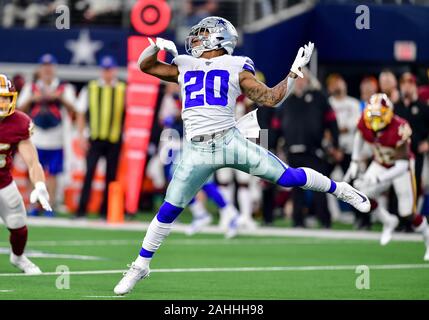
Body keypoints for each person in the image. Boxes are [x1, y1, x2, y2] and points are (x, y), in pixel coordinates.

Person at [114, 16, 370, 295]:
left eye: (203, 35)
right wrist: (155, 47)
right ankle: (141, 265)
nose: (196, 40)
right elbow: (146, 66)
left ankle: (340, 189)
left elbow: (271, 98)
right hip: (197, 149)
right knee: (168, 210)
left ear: (218, 39)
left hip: (229, 140)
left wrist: (294, 72)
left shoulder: (237, 65)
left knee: (286, 177)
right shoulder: (184, 64)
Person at [344, 93, 429, 260]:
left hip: (402, 168)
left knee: (407, 214)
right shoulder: (365, 120)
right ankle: (388, 220)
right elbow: (360, 135)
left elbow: (402, 165)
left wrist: (378, 179)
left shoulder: (400, 127)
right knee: (362, 196)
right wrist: (354, 161)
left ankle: (427, 235)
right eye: (372, 116)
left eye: (379, 115)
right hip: (380, 163)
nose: (375, 121)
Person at [0, 74, 52, 274]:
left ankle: (18, 257)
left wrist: (39, 185)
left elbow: (32, 161)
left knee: (19, 224)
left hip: (3, 181)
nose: (2, 103)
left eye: (6, 97)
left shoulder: (18, 122)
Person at [277, 69, 341, 228]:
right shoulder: (288, 101)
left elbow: (332, 122)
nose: (299, 82)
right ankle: (297, 221)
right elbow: (277, 126)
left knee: (320, 185)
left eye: (302, 79)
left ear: (308, 80)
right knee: (296, 189)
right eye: (296, 79)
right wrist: (272, 145)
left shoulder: (319, 98)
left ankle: (325, 221)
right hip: (292, 151)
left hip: (314, 150)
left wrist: (336, 145)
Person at [18, 53, 76, 216]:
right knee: (33, 171)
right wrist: (32, 99)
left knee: (53, 173)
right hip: (36, 137)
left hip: (56, 138)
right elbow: (19, 110)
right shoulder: (31, 87)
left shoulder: (64, 88)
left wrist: (60, 98)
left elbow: (75, 109)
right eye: (44, 66)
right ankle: (32, 205)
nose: (47, 70)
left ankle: (48, 205)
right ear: (40, 69)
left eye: (50, 66)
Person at [75, 56, 126, 219]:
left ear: (115, 70)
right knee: (89, 173)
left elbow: (129, 113)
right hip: (95, 138)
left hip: (114, 138)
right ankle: (81, 210)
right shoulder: (91, 88)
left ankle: (106, 211)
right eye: (105, 69)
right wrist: (81, 136)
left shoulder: (122, 89)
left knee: (111, 176)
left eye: (110, 69)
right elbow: (81, 113)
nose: (107, 73)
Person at [394, 72, 429, 203]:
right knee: (399, 185)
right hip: (400, 153)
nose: (406, 87)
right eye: (403, 83)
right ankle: (398, 218)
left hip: (418, 153)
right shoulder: (396, 107)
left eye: (410, 83)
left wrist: (427, 143)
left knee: (417, 183)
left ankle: (414, 218)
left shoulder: (423, 107)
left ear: (415, 86)